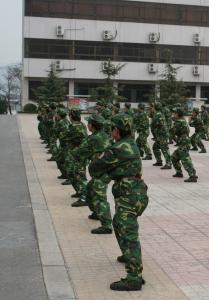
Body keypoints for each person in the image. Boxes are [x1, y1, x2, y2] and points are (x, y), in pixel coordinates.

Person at [90, 113, 149, 291]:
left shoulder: (118, 148)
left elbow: (94, 167)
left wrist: (105, 169)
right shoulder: (131, 143)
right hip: (134, 192)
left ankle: (134, 278)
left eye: (112, 129)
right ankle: (129, 256)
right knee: (118, 223)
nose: (110, 132)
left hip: (129, 194)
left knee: (128, 233)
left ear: (117, 130)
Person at [73, 114, 113, 234]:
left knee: (100, 198)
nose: (87, 125)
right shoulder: (104, 135)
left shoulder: (93, 138)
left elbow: (79, 152)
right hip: (104, 170)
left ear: (92, 126)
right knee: (90, 190)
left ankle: (107, 226)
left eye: (89, 123)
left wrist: (73, 151)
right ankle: (96, 213)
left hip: (101, 172)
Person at [61, 107, 88, 206]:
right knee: (74, 173)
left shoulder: (73, 126)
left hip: (77, 154)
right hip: (78, 153)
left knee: (79, 176)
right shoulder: (82, 124)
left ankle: (85, 198)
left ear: (71, 115)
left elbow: (63, 136)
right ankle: (80, 191)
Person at [171, 107, 198, 182]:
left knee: (185, 159)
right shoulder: (182, 120)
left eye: (175, 113)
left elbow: (172, 132)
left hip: (184, 142)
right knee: (174, 157)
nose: (174, 114)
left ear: (178, 114)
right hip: (184, 141)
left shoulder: (179, 122)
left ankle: (192, 175)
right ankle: (179, 172)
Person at [150, 102, 172, 169]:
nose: (152, 108)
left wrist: (155, 133)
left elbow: (154, 125)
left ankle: (168, 164)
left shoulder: (157, 115)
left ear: (155, 108)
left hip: (162, 134)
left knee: (164, 148)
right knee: (155, 147)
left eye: (153, 107)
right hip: (161, 134)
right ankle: (159, 161)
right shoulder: (159, 114)